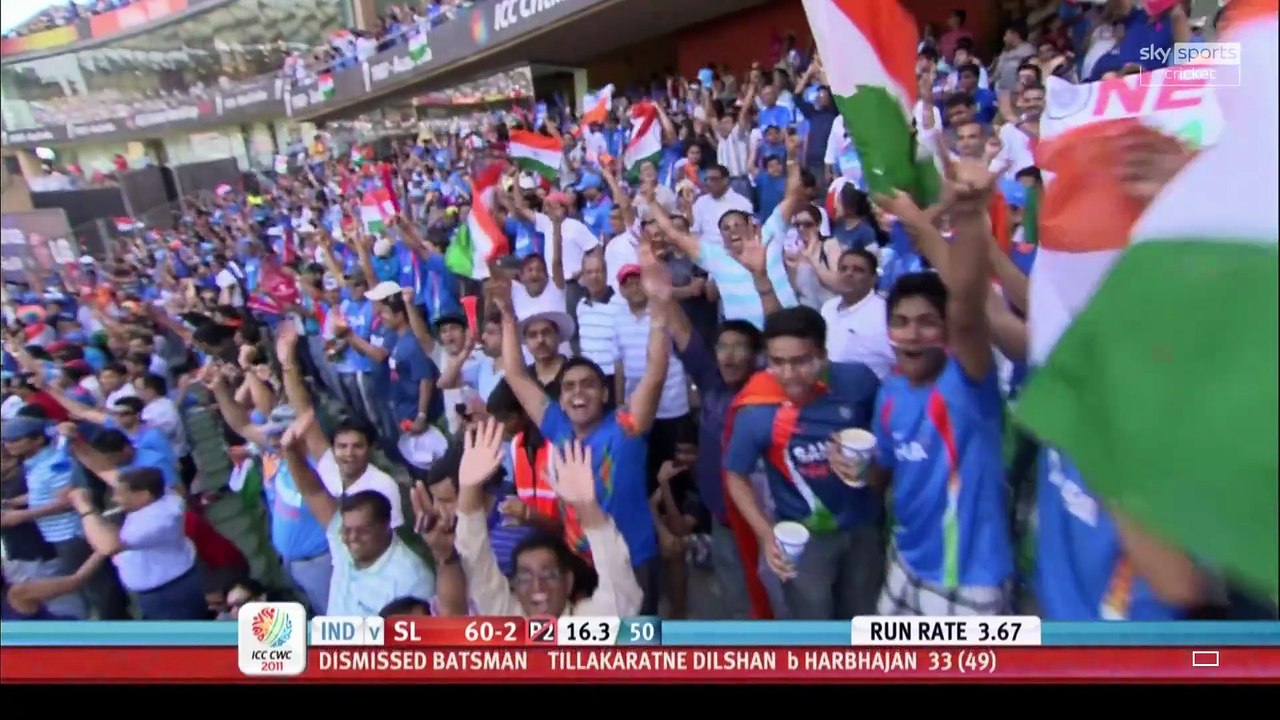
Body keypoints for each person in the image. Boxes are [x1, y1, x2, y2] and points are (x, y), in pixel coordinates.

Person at [490, 250, 668, 614]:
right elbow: (516, 375)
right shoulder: (557, 426)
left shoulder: (626, 428)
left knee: (636, 650)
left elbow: (654, 371)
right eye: (569, 387)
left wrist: (660, 308)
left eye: (588, 385)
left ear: (604, 394)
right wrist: (508, 317)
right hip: (578, 557)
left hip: (630, 560)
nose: (577, 393)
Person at [722, 306, 882, 620]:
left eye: (801, 361)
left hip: (865, 529)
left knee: (862, 623)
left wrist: (872, 468)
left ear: (822, 353)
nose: (788, 374)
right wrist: (766, 534)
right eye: (777, 362)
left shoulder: (859, 382)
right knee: (815, 632)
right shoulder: (756, 411)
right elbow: (735, 475)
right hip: (805, 542)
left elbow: (886, 441)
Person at [452, 418, 643, 617]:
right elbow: (476, 563)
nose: (538, 586)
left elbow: (622, 598)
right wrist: (469, 488)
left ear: (568, 582)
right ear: (514, 586)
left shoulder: (584, 626)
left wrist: (588, 508)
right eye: (525, 577)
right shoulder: (509, 620)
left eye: (549, 575)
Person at [278, 408, 434, 616]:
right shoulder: (346, 544)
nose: (351, 538)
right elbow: (313, 492)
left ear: (386, 526)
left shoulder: (411, 580)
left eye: (363, 531)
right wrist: (291, 452)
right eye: (347, 530)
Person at [69, 470, 208, 620]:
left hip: (169, 595)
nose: (115, 499)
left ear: (143, 494)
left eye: (120, 494)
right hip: (166, 591)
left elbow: (108, 545)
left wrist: (85, 507)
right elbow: (110, 473)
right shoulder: (162, 498)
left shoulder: (155, 522)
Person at [1, 552, 108, 620]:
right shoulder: (18, 593)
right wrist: (102, 550)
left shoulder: (18, 593)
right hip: (59, 639)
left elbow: (76, 581)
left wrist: (102, 550)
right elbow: (76, 580)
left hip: (57, 638)